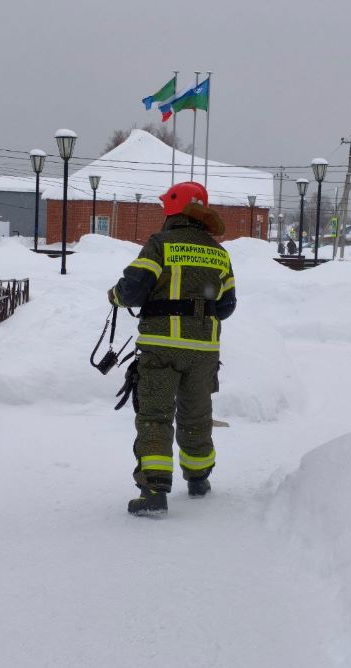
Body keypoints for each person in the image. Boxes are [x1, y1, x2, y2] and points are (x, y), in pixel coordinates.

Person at [107, 181, 237, 516]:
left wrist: (116, 296)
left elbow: (132, 290)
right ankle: (198, 479)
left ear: (174, 207)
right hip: (204, 352)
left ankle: (153, 491)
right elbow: (226, 307)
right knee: (196, 414)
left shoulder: (160, 244)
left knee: (155, 417)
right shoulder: (219, 253)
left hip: (161, 348)